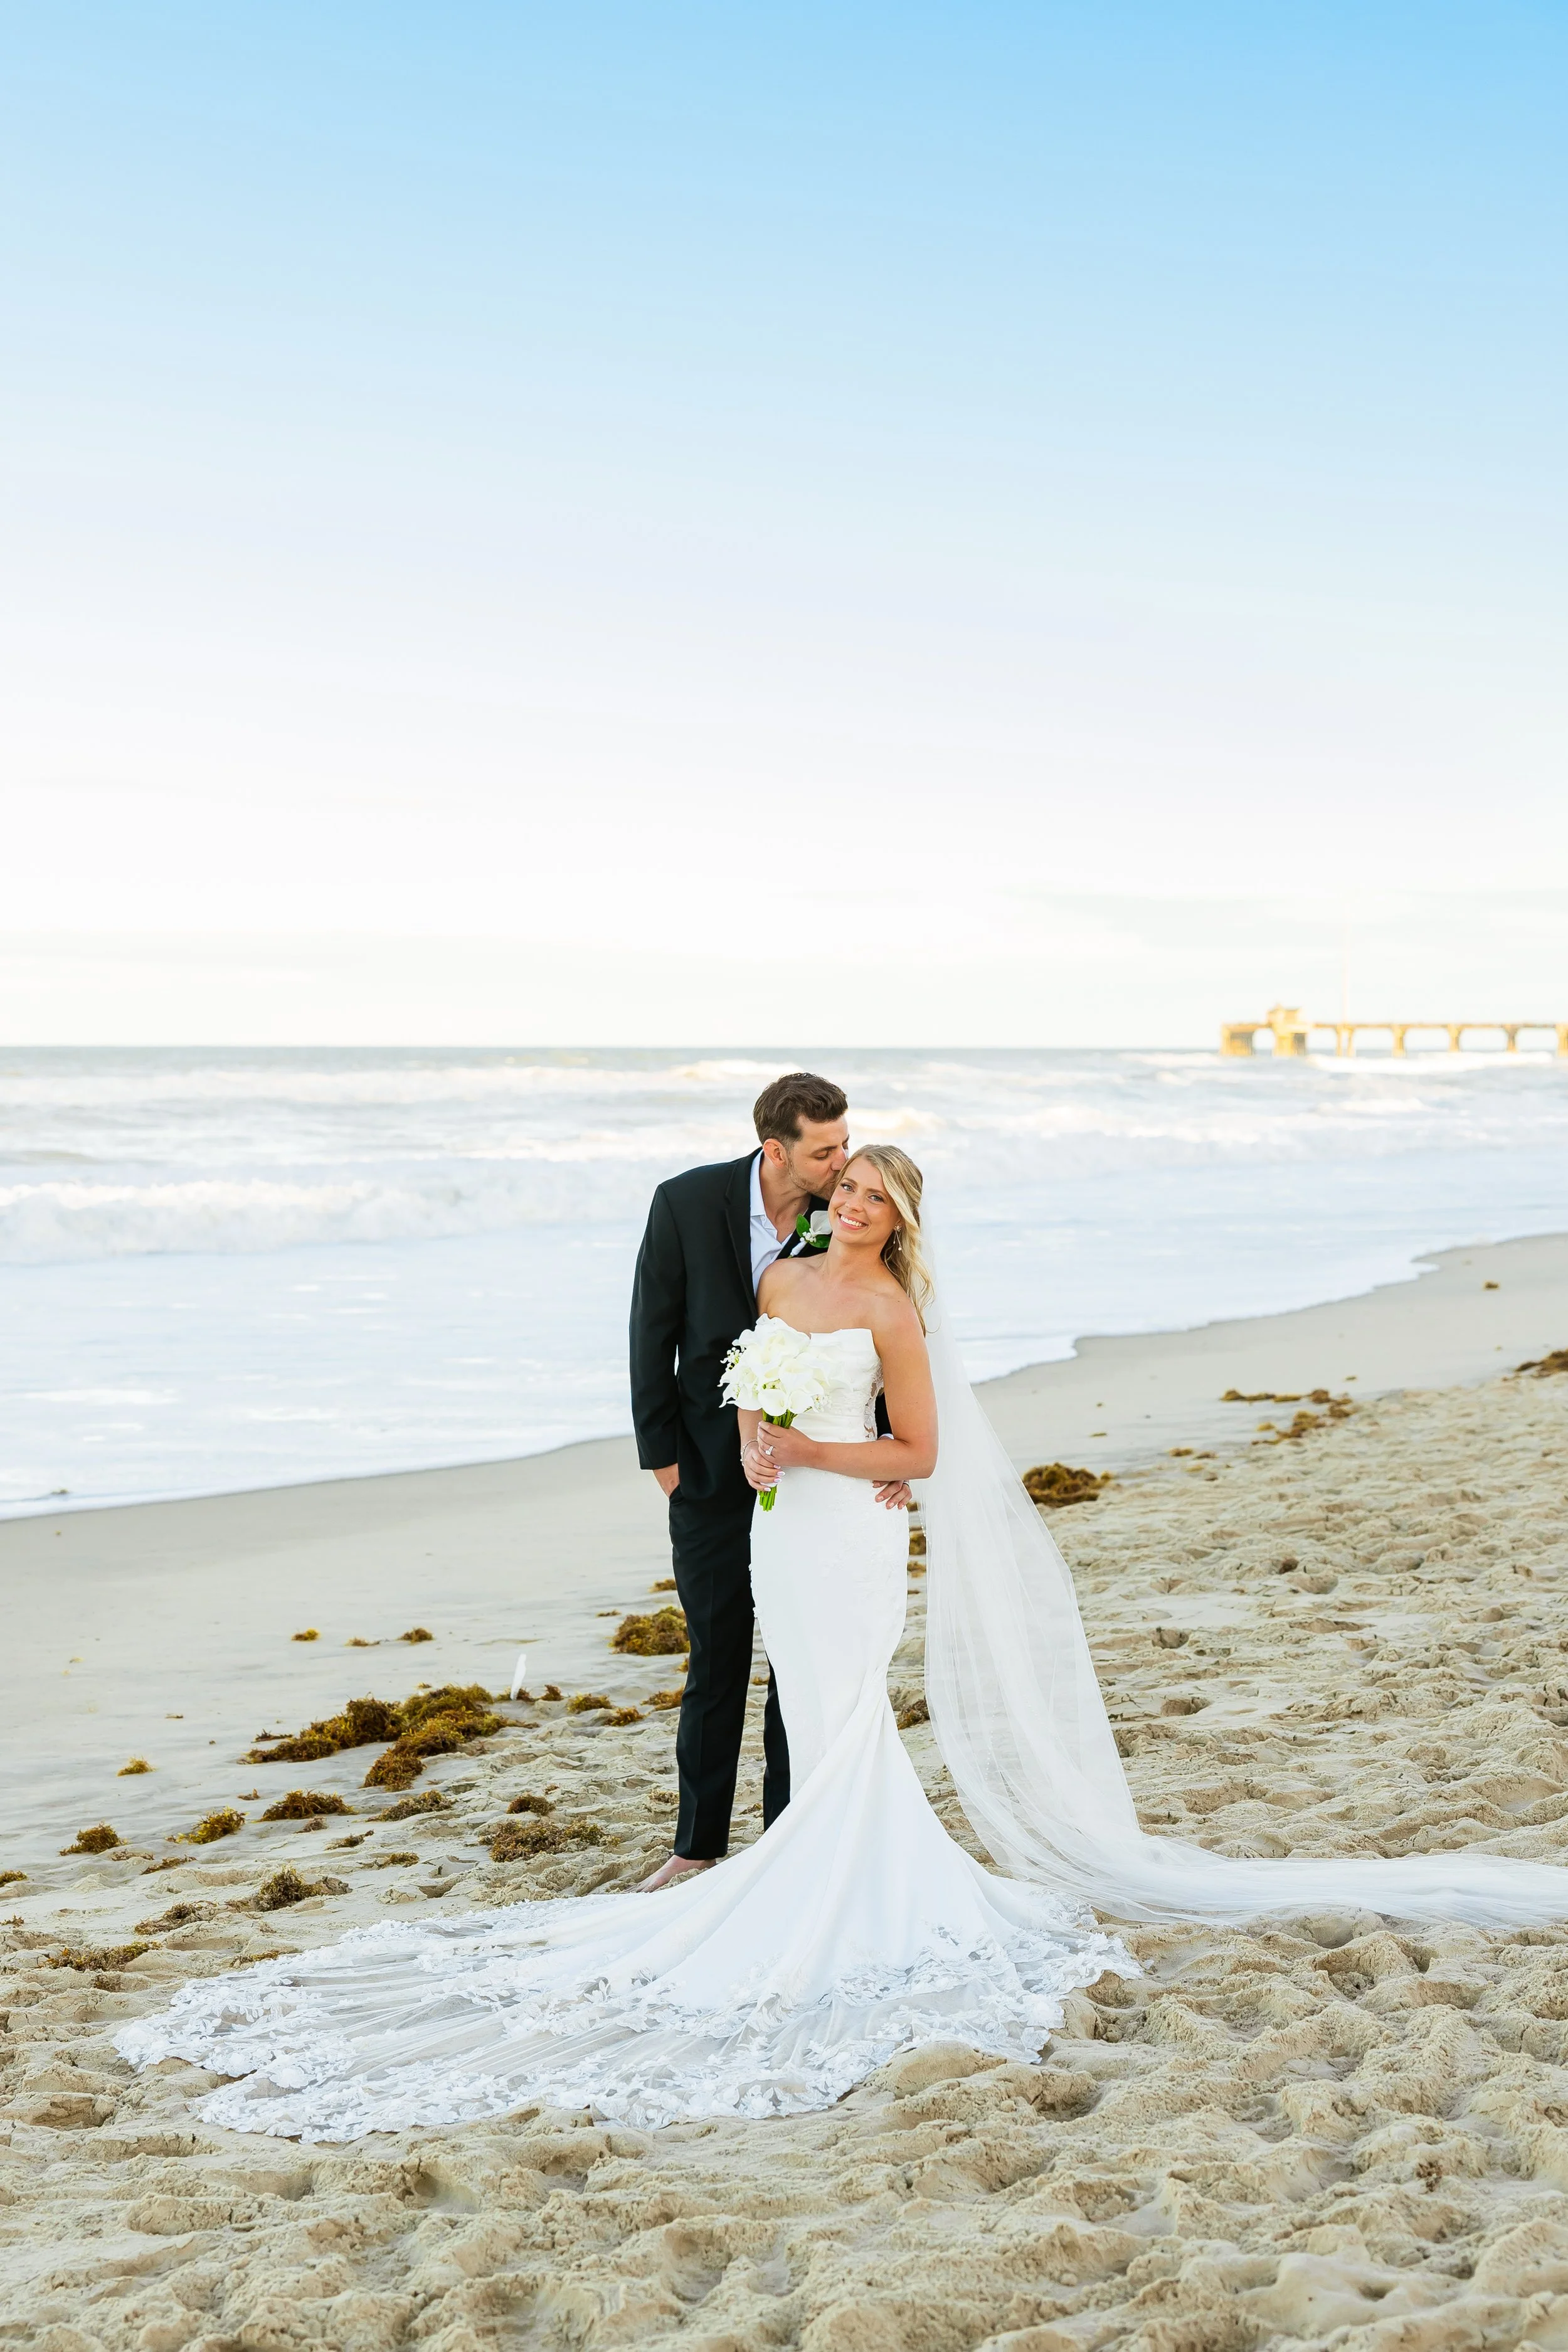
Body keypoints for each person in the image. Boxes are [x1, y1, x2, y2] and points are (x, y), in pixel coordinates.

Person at [117, 1146, 1568, 2140]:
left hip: (848, 1526)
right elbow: (750, 1397)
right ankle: (785, 1855)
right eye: (847, 1185)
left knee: (841, 1704)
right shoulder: (777, 1285)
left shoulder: (883, 1302)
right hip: (776, 1521)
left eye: (877, 1194)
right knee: (792, 1690)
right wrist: (753, 1440)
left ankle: (832, 1872)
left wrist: (807, 1448)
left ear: (900, 1220)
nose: (856, 1205)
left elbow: (918, 1450)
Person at [627, 1071, 908, 1890]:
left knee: (803, 1656)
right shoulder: (684, 1203)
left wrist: (886, 1440)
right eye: (827, 1151)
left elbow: (883, 1327)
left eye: (846, 1145)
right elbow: (652, 1331)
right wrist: (665, 1459)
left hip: (820, 1474)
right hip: (711, 1470)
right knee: (719, 1652)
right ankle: (697, 1843)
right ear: (776, 1150)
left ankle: (792, 1833)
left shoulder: (847, 1215)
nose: (843, 1162)